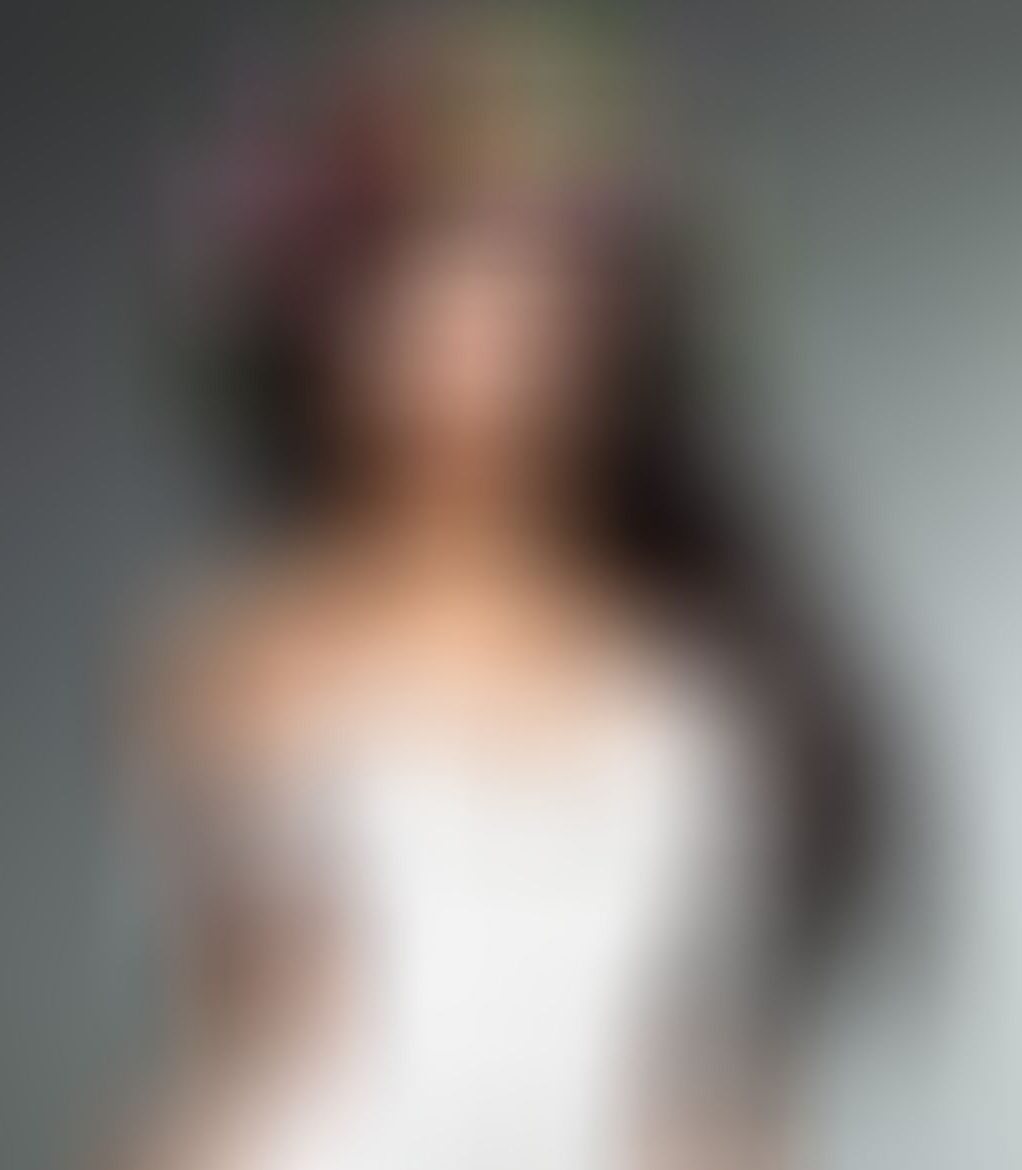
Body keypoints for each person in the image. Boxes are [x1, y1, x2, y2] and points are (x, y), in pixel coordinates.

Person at [115, 12, 876, 1170]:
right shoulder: (244, 648)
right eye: (418, 293)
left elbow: (705, 1073)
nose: (478, 340)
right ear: (322, 335)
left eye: (533, 290)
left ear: (614, 329)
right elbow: (244, 1040)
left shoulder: (709, 652)